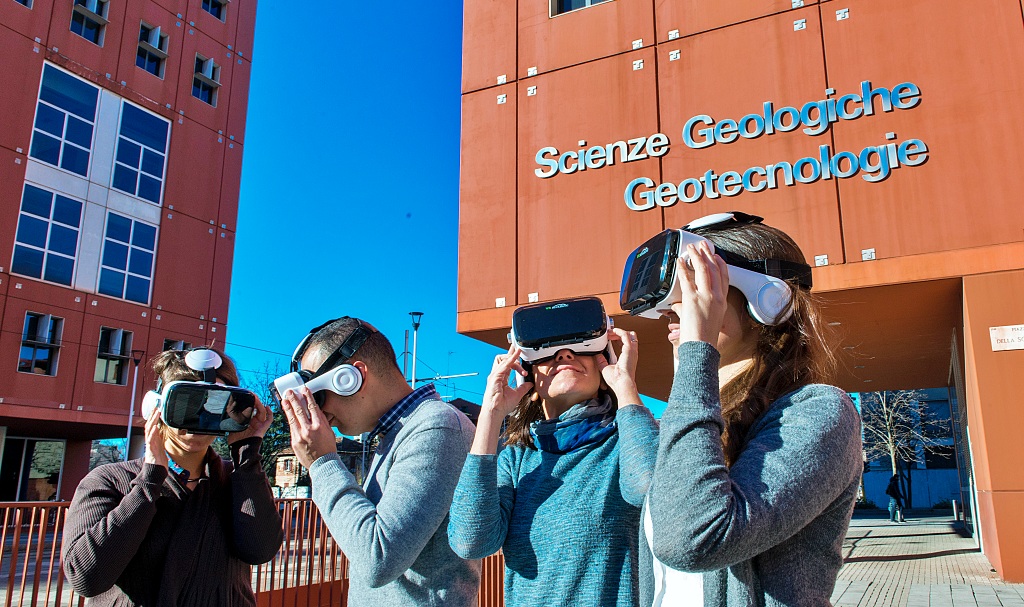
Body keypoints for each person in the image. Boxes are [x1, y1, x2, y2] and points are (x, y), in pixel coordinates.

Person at [645, 214, 863, 606]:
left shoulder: (819, 412)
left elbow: (690, 538)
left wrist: (698, 351)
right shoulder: (696, 418)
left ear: (769, 299)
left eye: (697, 286)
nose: (671, 310)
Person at [447, 325, 660, 607]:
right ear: (530, 378)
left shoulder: (631, 440)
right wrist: (491, 413)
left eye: (580, 346)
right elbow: (470, 541)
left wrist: (626, 389)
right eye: (547, 352)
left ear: (603, 370)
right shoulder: (517, 460)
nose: (564, 354)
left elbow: (653, 492)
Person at [279, 317, 479, 606]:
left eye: (317, 396)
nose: (318, 413)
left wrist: (322, 462)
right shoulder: (396, 434)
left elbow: (378, 558)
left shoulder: (438, 426)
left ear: (351, 377)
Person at [62, 348, 282, 606]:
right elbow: (86, 577)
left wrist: (247, 455)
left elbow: (260, 550)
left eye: (215, 406)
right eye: (187, 403)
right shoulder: (108, 480)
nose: (201, 418)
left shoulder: (240, 478)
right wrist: (149, 481)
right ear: (157, 405)